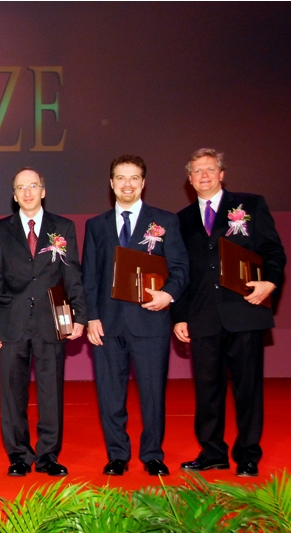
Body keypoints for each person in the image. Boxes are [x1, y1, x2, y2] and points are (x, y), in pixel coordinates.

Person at [172, 148, 285, 477]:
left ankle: (248, 455)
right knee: (207, 389)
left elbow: (273, 250)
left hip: (245, 310)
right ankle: (212, 453)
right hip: (203, 315)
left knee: (247, 388)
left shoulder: (250, 205)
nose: (204, 175)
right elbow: (180, 271)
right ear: (189, 179)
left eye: (210, 169)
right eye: (197, 170)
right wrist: (180, 315)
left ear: (222, 174)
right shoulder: (181, 219)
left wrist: (270, 283)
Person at [82, 155, 188, 476]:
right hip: (108, 324)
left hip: (151, 321)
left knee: (153, 393)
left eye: (133, 178)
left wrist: (168, 295)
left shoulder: (165, 221)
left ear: (143, 183)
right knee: (110, 394)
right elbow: (90, 276)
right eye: (120, 177)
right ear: (111, 183)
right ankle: (117, 455)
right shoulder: (96, 225)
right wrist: (91, 317)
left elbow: (180, 268)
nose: (127, 184)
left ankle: (152, 454)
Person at [0, 168, 87, 478]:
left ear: (43, 191)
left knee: (51, 391)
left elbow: (72, 274)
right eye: (21, 187)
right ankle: (18, 455)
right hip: (12, 319)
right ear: (14, 195)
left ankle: (47, 456)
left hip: (52, 319)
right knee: (12, 393)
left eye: (33, 186)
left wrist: (79, 315)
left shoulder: (63, 227)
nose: (27, 192)